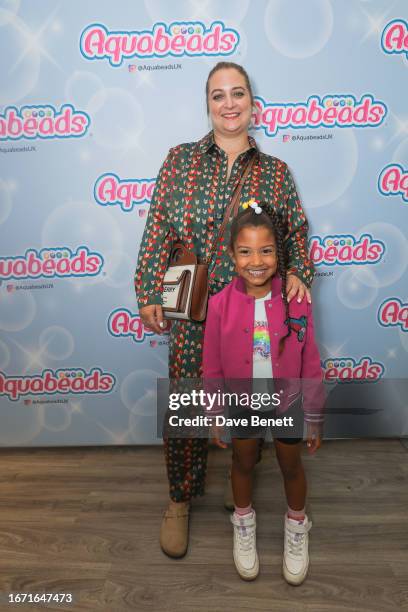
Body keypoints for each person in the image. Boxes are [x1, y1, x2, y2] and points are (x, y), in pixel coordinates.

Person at [134, 61, 315, 559]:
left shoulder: (276, 172)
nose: (229, 103)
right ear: (208, 104)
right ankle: (178, 499)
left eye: (238, 93)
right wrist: (149, 289)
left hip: (254, 310)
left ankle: (246, 486)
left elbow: (295, 234)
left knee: (252, 401)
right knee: (190, 400)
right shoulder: (179, 161)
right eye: (219, 95)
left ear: (253, 104)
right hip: (195, 305)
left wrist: (298, 270)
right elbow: (158, 230)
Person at [202, 202, 324, 583]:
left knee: (291, 465)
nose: (257, 260)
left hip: (287, 402)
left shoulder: (296, 299)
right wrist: (215, 411)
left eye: (266, 250)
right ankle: (243, 524)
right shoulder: (219, 304)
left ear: (278, 253)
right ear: (231, 254)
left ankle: (297, 525)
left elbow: (310, 359)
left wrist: (314, 414)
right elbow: (212, 365)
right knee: (242, 462)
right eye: (246, 250)